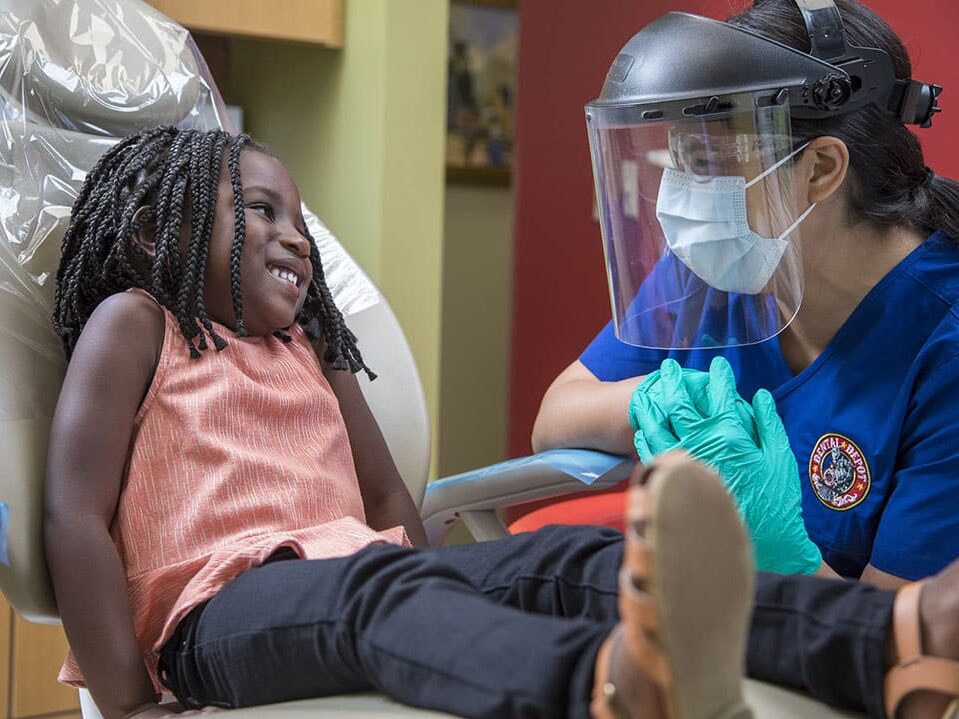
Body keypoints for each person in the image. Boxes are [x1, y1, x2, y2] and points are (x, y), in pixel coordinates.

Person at [40, 125, 959, 719]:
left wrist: (442, 567)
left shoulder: (313, 348)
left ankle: (889, 636)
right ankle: (604, 688)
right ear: (160, 236)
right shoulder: (138, 324)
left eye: (300, 219)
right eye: (259, 211)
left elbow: (386, 492)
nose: (295, 236)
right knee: (387, 597)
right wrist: (125, 702)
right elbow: (74, 516)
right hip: (219, 613)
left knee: (560, 561)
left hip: (354, 573)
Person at [532, 0, 959, 588]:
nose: (678, 197)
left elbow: (900, 636)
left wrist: (789, 562)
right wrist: (658, 400)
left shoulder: (943, 347)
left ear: (821, 169)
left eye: (705, 162)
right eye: (677, 160)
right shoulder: (719, 267)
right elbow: (556, 415)